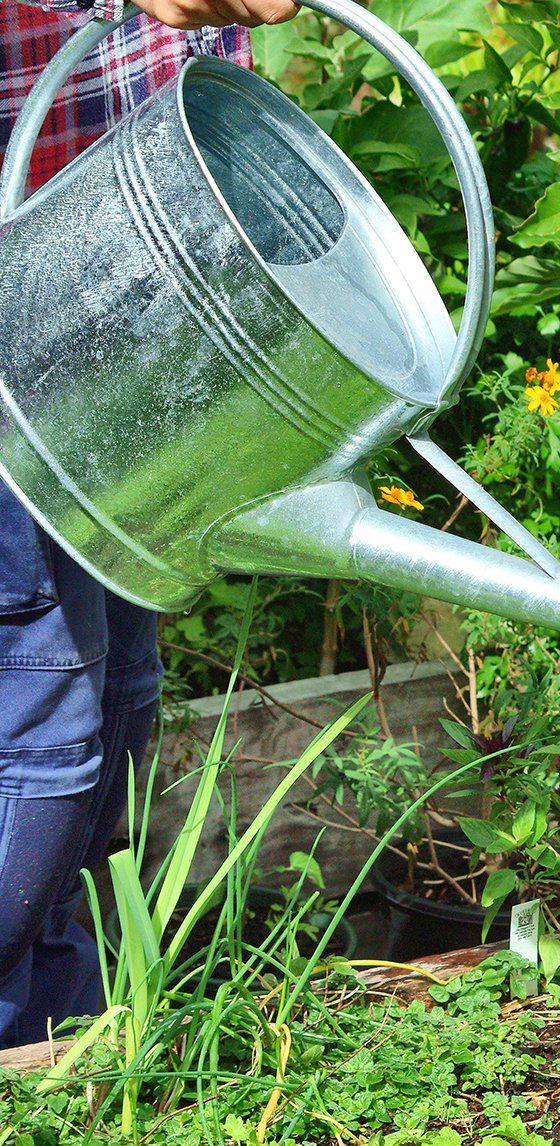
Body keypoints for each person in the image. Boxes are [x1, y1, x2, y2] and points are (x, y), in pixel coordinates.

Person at [0, 0, 297, 1050]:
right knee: (35, 718)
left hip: (140, 273)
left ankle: (52, 1045)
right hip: (15, 286)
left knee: (116, 701)